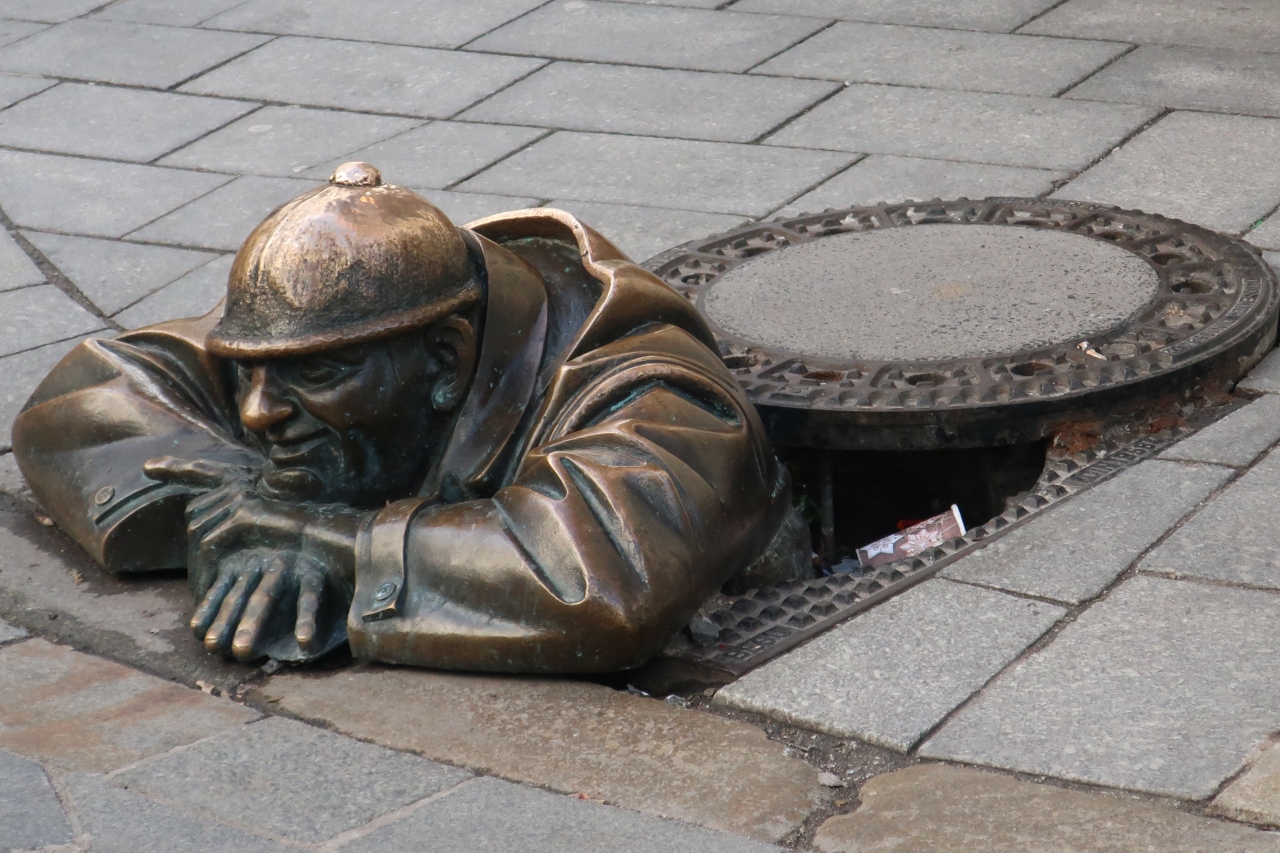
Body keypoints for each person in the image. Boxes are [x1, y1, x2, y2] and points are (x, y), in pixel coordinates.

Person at [12, 162, 807, 673]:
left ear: (447, 360)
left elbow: (600, 580)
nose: (256, 410)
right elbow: (78, 401)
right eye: (249, 370)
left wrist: (331, 539)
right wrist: (239, 504)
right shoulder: (329, 345)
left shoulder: (651, 389)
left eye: (313, 375)